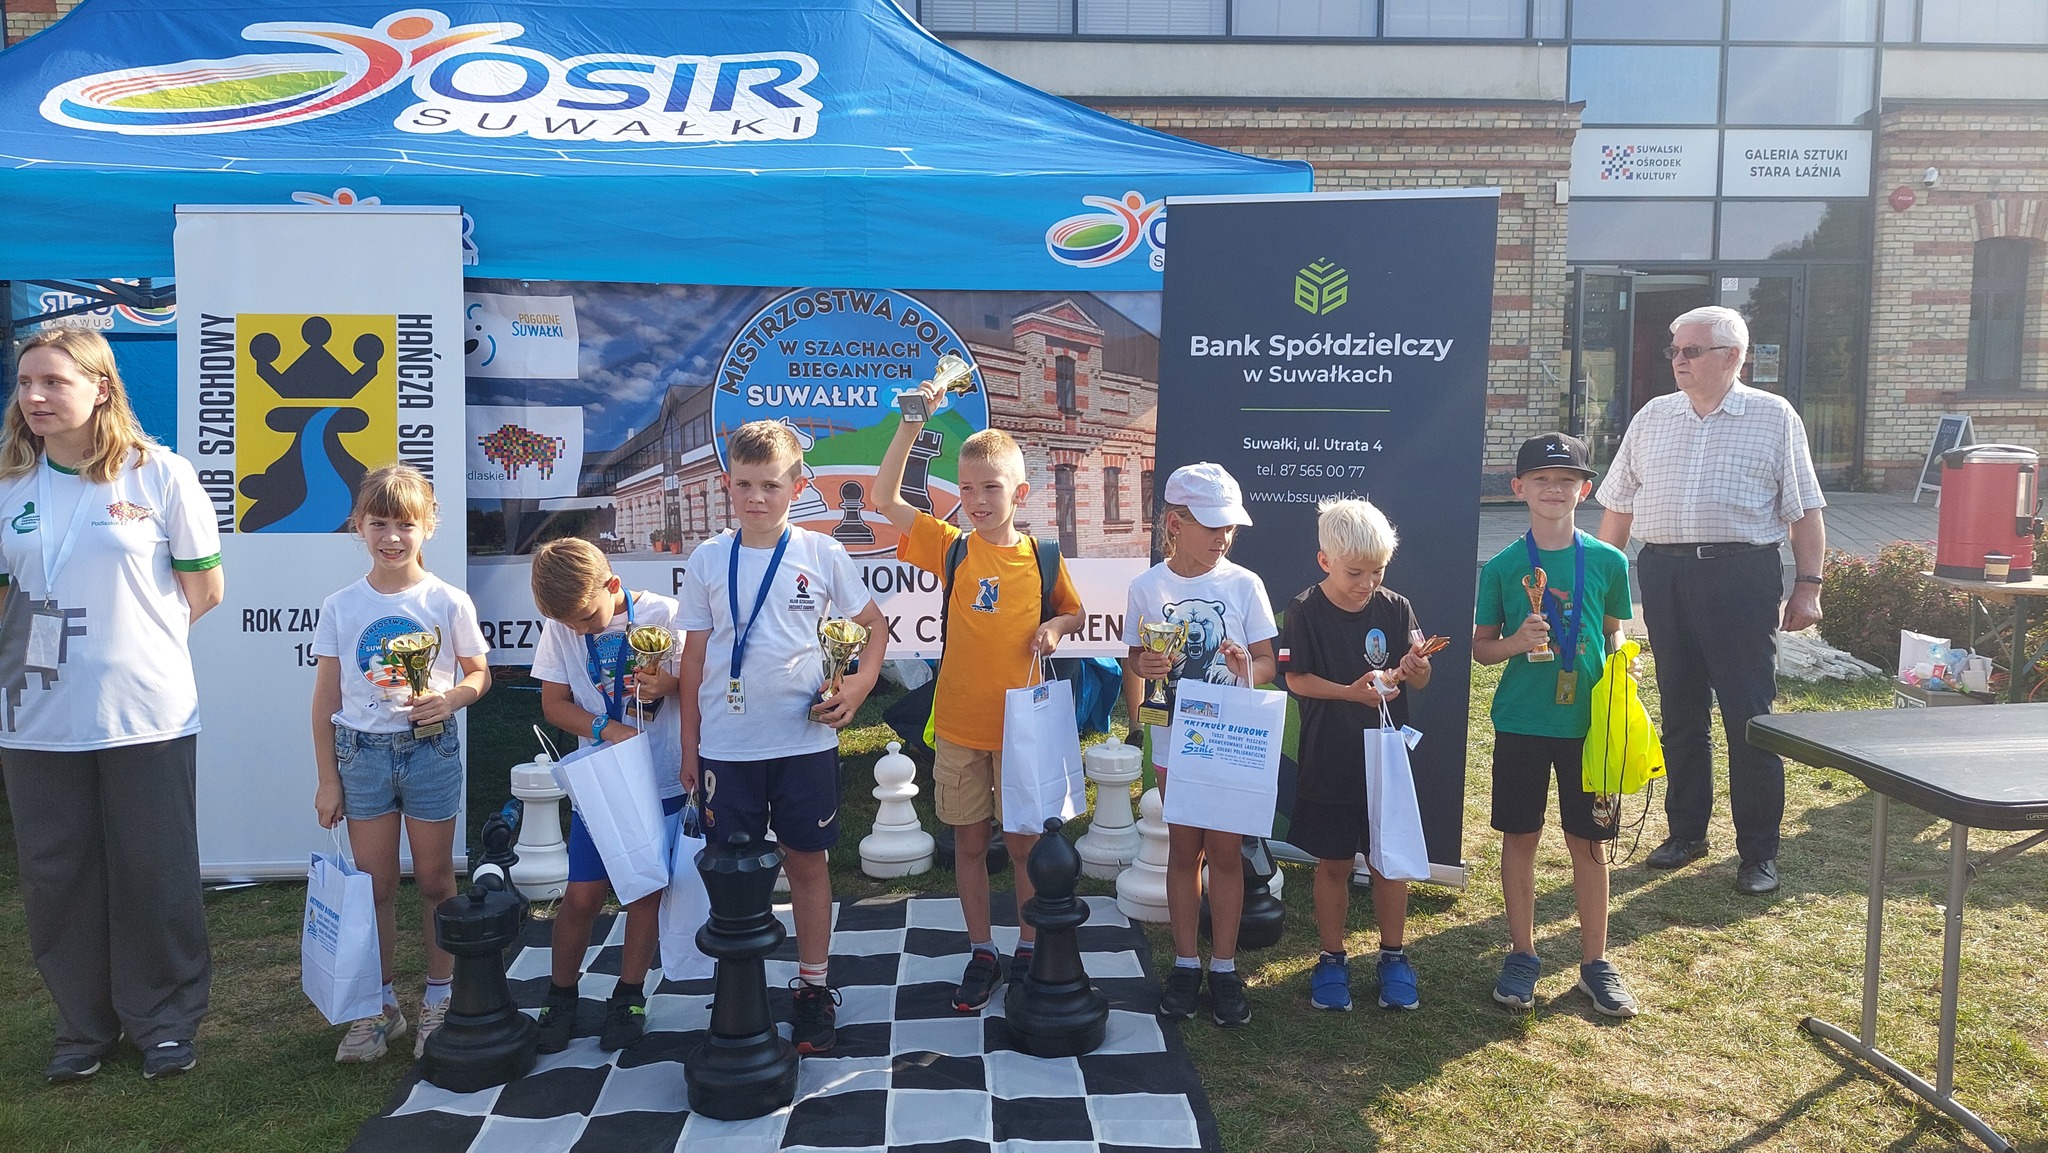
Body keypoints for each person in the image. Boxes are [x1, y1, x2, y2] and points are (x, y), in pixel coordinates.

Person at [0, 328, 224, 1084]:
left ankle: (164, 1022)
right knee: (56, 877)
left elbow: (205, 590)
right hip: (35, 719)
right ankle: (83, 1027)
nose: (34, 396)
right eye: (25, 382)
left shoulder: (160, 474)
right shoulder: (8, 484)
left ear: (101, 388)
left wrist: (132, 648)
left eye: (53, 382)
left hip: (145, 714)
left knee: (154, 870)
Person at [1595, 305, 1825, 896]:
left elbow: (1805, 508)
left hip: (1740, 576)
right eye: (1674, 350)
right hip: (1664, 574)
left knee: (1750, 717)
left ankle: (1758, 853)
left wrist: (1808, 585)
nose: (1678, 360)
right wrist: (1599, 585)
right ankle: (1686, 832)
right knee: (1680, 710)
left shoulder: (1773, 417)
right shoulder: (1653, 416)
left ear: (1733, 357)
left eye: (1691, 351)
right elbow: (1617, 506)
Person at [676, 421, 888, 1055]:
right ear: (727, 484)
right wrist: (689, 748)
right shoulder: (708, 558)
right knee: (732, 872)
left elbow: (873, 627)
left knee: (806, 865)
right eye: (744, 485)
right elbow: (693, 660)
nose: (756, 498)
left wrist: (857, 687)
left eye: (770, 485)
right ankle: (738, 984)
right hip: (727, 748)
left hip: (803, 744)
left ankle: (813, 987)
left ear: (797, 486)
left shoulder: (821, 554)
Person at [874, 385, 1083, 1014]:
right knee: (968, 846)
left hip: (1021, 733)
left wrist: (1055, 627)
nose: (977, 500)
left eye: (991, 487)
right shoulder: (952, 546)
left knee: (1022, 848)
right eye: (966, 489)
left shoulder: (1043, 557)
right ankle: (982, 950)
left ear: (1020, 493)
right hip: (960, 728)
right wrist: (911, 424)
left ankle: (1027, 947)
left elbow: (1073, 613)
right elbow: (884, 499)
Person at [311, 464, 491, 1063]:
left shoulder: (448, 599)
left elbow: (479, 674)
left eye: (405, 525)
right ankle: (379, 1006)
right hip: (360, 757)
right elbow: (326, 697)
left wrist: (453, 698)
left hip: (430, 751)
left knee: (437, 880)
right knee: (375, 887)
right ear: (358, 526)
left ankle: (439, 996)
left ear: (428, 527)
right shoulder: (340, 605)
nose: (392, 537)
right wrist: (328, 779)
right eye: (379, 524)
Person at [1473, 434, 1638, 1017]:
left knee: (1590, 841)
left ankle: (1596, 962)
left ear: (1584, 490)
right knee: (1520, 837)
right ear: (1518, 488)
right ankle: (1522, 954)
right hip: (1523, 722)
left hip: (1590, 728)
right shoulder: (1503, 567)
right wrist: (1517, 642)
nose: (1553, 489)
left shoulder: (1610, 561)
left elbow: (1614, 628)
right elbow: (1481, 649)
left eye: (1566, 480)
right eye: (1541, 479)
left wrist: (1622, 661)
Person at [1121, 462, 1276, 1028]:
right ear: (1175, 523)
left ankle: (1225, 968)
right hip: (1174, 742)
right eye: (1212, 525)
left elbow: (1266, 662)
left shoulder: (1244, 584)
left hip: (1229, 741)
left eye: (1230, 526)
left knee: (1227, 854)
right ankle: (1187, 964)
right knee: (1184, 850)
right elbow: (1134, 656)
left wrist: (1243, 668)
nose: (1223, 537)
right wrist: (1145, 665)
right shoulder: (1147, 587)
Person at [527, 536, 684, 1053]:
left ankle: (629, 995)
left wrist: (667, 686)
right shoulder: (561, 626)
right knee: (582, 895)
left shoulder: (665, 614)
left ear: (612, 585)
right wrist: (606, 728)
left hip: (661, 776)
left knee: (645, 891)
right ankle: (561, 994)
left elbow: (695, 684)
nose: (579, 631)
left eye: (585, 619)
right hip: (602, 780)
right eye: (568, 624)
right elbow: (553, 704)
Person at [1279, 498, 1434, 1012]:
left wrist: (1416, 670)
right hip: (1330, 755)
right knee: (1334, 863)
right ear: (1325, 561)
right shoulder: (1303, 609)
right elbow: (1296, 679)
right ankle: (1331, 958)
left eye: (1377, 571)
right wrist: (1350, 693)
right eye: (1355, 573)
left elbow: (1419, 675)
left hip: (1386, 758)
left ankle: (1394, 956)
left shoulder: (1396, 607)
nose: (1368, 583)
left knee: (1389, 863)